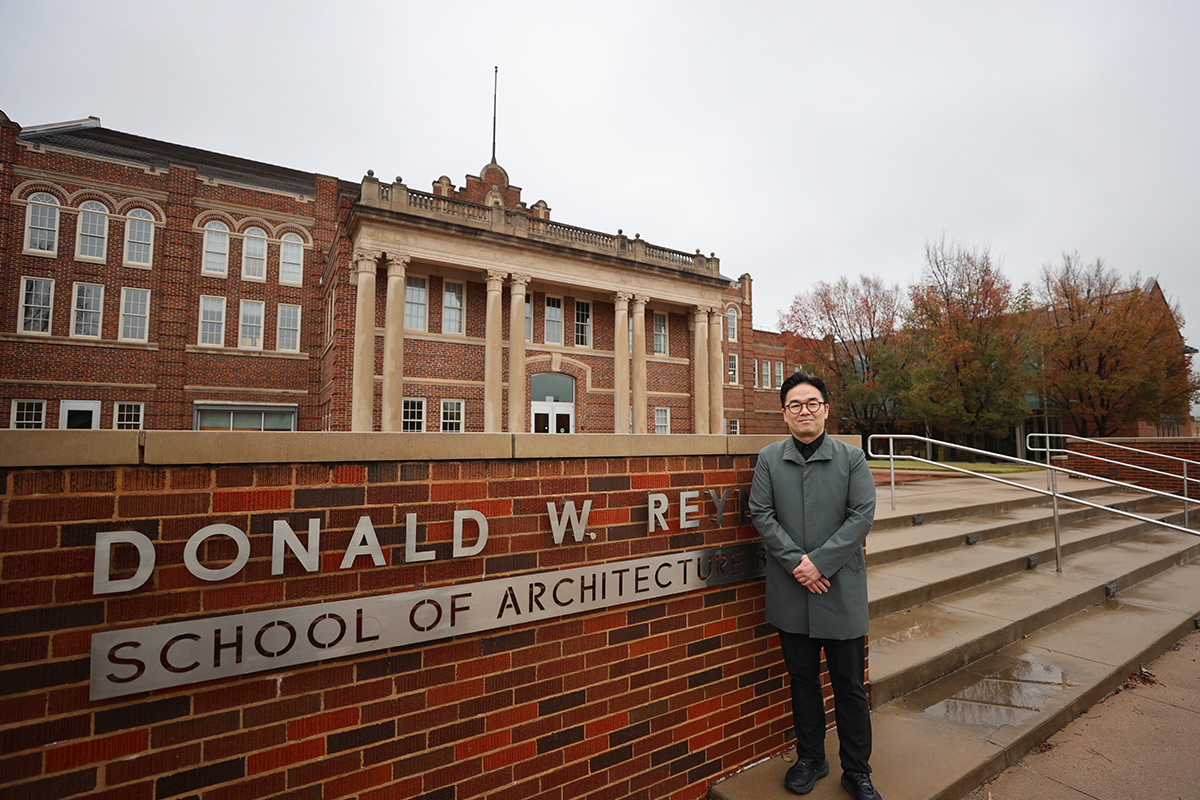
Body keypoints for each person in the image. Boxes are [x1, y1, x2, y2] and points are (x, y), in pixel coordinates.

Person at [749, 371, 882, 800]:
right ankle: (810, 757)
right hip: (792, 593)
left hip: (840, 590)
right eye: (794, 405)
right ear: (784, 413)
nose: (803, 411)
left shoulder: (851, 458)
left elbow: (861, 514)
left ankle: (857, 770)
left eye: (811, 404)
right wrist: (798, 565)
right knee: (802, 681)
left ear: (825, 409)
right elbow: (761, 513)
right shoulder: (770, 458)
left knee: (849, 685)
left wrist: (820, 563)